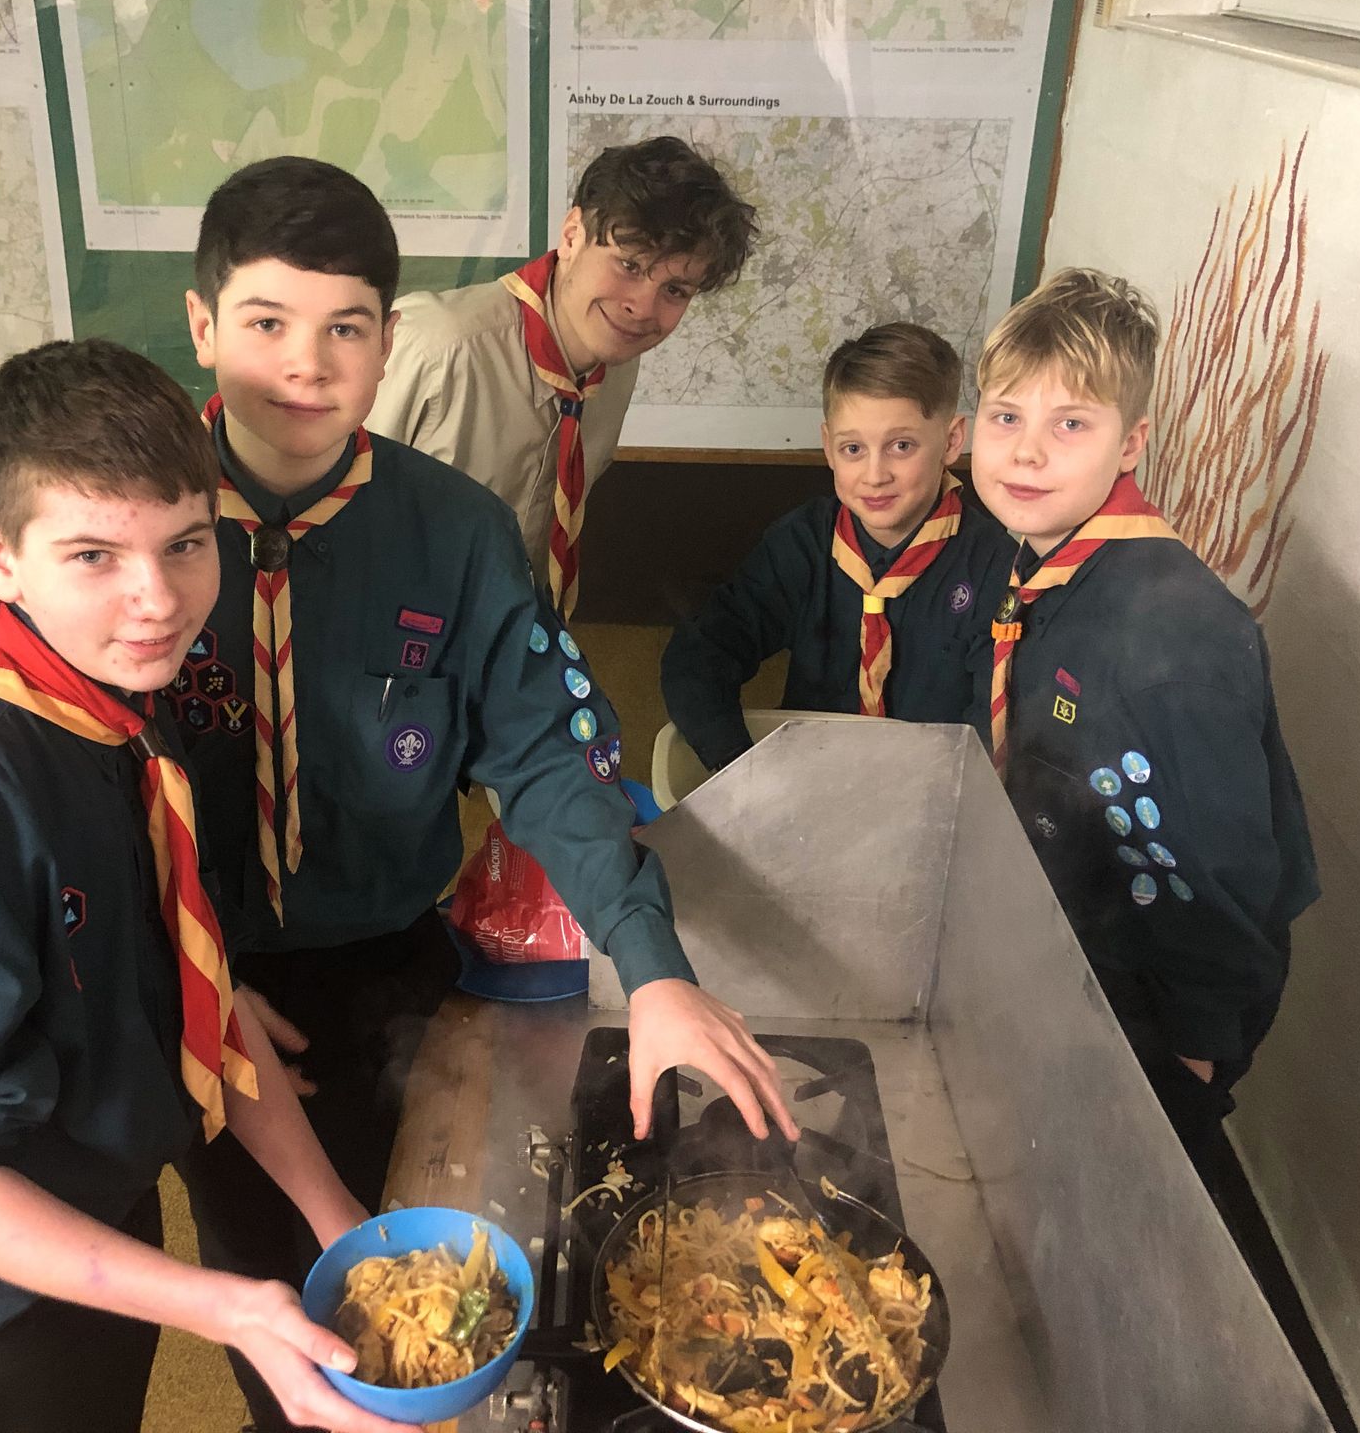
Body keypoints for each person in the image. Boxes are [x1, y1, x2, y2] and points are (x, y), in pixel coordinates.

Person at [172, 155, 798, 1432]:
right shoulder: (137, 517)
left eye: (346, 327)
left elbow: (549, 748)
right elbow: (77, 769)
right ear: (203, 327)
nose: (307, 362)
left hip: (395, 948)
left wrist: (655, 964)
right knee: (266, 1288)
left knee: (407, 1241)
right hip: (202, 967)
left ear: (386, 340)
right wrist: (176, 960)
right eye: (266, 323)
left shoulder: (452, 531)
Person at [0, 340, 411, 1433]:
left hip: (92, 1191)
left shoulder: (116, 699)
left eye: (187, 543)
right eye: (93, 556)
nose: (156, 601)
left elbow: (187, 971)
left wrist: (338, 1217)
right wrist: (232, 1307)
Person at [970, 268, 1318, 1195]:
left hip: (1156, 1017)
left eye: (1070, 425)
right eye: (1005, 417)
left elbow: (1222, 871)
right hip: (1075, 948)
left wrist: (1193, 1067)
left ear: (1134, 443)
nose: (1027, 454)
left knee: (1112, 1207)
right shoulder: (1044, 560)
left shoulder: (1172, 642)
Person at [366, 135, 757, 618]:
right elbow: (331, 519)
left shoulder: (614, 366)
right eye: (628, 265)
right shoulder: (437, 348)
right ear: (572, 235)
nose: (641, 307)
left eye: (675, 289)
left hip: (512, 640)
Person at [659, 323, 1006, 770]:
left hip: (931, 794)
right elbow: (700, 653)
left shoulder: (996, 567)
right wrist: (742, 769)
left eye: (901, 446)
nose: (875, 474)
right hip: (807, 781)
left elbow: (992, 731)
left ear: (952, 441)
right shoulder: (803, 542)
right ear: (828, 447)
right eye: (853, 449)